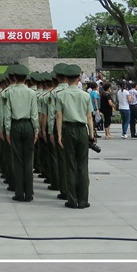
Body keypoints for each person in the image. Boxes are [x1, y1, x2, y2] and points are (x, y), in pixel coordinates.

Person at [56, 64, 95, 209]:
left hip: (68, 129)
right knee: (82, 166)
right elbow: (89, 117)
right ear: (79, 78)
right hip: (82, 130)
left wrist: (59, 134)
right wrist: (91, 134)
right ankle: (83, 200)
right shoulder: (85, 95)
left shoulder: (60, 95)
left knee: (70, 166)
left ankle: (72, 200)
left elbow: (59, 116)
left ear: (66, 78)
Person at [2, 64, 38, 202]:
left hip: (15, 125)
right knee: (29, 160)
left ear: (15, 77)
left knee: (17, 160)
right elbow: (34, 113)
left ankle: (19, 193)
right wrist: (36, 130)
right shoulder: (31, 93)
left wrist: (7, 130)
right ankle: (29, 193)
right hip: (28, 125)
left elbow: (7, 113)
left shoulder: (9, 92)